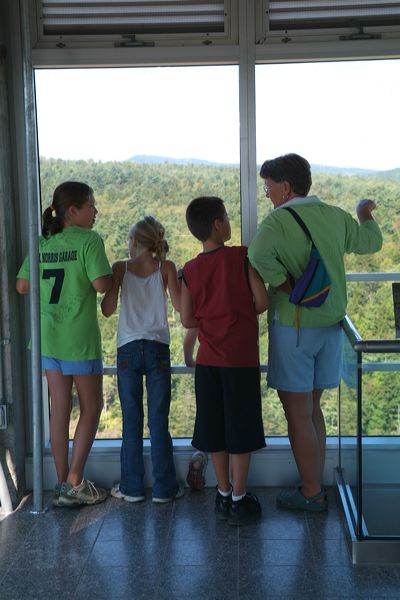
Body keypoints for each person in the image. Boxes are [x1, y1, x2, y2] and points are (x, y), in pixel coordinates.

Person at [248, 153, 383, 512]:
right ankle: (314, 484)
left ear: (286, 187)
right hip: (331, 327)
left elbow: (256, 255)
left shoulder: (277, 222)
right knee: (312, 409)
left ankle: (310, 492)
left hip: (294, 329)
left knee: (297, 414)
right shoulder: (335, 216)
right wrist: (364, 212)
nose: (265, 193)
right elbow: (372, 243)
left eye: (268, 186)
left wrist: (282, 283)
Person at [16, 181, 112, 507]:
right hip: (79, 340)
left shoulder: (43, 242)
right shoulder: (90, 240)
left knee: (59, 409)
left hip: (47, 340)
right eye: (91, 205)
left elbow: (21, 285)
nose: (96, 211)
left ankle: (61, 483)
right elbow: (101, 283)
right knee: (92, 407)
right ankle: (75, 482)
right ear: (73, 211)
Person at [181, 196, 268, 525]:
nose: (230, 222)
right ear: (218, 225)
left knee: (214, 429)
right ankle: (239, 497)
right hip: (241, 360)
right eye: (228, 217)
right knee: (240, 429)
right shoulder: (241, 257)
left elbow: (188, 319)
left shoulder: (189, 270)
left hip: (208, 363)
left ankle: (221, 492)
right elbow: (260, 301)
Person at [101, 216, 184, 503]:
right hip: (158, 348)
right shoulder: (167, 268)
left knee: (131, 421)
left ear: (134, 242)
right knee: (159, 421)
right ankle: (164, 488)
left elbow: (108, 310)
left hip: (128, 349)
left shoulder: (121, 268)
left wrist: (113, 284)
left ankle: (132, 487)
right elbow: (181, 306)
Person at [182, 327, 209, 491]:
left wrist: (189, 361)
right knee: (231, 428)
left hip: (206, 365)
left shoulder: (204, 303)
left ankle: (199, 457)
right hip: (234, 364)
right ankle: (231, 486)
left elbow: (188, 343)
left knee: (206, 418)